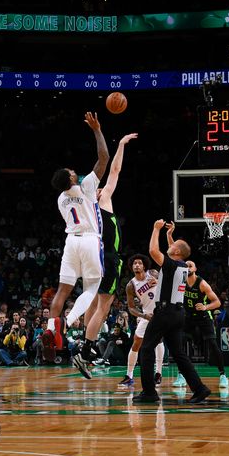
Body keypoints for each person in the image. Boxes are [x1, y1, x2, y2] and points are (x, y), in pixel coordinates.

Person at [43, 112, 109, 361]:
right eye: (71, 170)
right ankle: (68, 322)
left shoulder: (61, 198)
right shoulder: (86, 186)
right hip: (91, 239)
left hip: (71, 241)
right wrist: (97, 130)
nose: (73, 170)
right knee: (92, 288)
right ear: (71, 178)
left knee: (62, 290)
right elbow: (104, 158)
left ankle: (51, 329)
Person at [73, 132, 137, 379]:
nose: (100, 188)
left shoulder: (83, 207)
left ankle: (83, 345)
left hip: (90, 256)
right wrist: (120, 144)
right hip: (108, 257)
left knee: (92, 301)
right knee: (105, 304)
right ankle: (87, 349)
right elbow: (115, 171)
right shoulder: (103, 199)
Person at [134, 219, 211, 404]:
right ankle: (200, 389)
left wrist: (156, 229)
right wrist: (169, 236)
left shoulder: (172, 265)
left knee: (146, 349)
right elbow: (175, 253)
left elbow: (153, 251)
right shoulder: (183, 266)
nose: (171, 246)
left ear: (176, 252)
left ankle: (149, 392)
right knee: (178, 353)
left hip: (165, 312)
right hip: (178, 314)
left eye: (173, 246)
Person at [174, 257, 228, 389]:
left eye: (190, 265)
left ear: (195, 269)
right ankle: (181, 375)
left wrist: (205, 307)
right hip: (188, 317)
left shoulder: (202, 284)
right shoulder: (181, 281)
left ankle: (223, 375)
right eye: (186, 266)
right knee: (181, 346)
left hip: (203, 317)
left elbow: (217, 302)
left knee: (213, 345)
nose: (188, 267)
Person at [118, 254, 164, 388]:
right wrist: (144, 316)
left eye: (139, 263)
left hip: (161, 312)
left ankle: (158, 373)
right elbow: (131, 308)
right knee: (137, 341)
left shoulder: (153, 273)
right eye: (134, 263)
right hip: (147, 314)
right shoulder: (130, 285)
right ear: (131, 267)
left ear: (144, 266)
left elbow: (166, 285)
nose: (137, 265)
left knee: (159, 340)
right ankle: (129, 375)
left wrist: (159, 282)